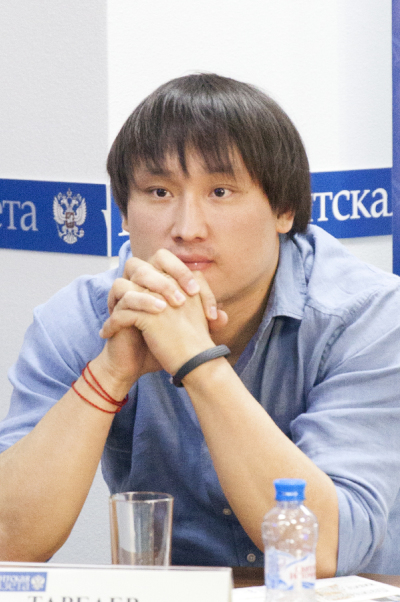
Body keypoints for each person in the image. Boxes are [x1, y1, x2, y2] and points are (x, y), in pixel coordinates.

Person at [0, 73, 400, 577]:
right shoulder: (82, 318)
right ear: (124, 212)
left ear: (284, 210)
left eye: (221, 191)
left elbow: (324, 552)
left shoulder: (368, 316)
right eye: (159, 191)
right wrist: (108, 374)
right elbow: (7, 543)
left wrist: (199, 363)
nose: (187, 228)